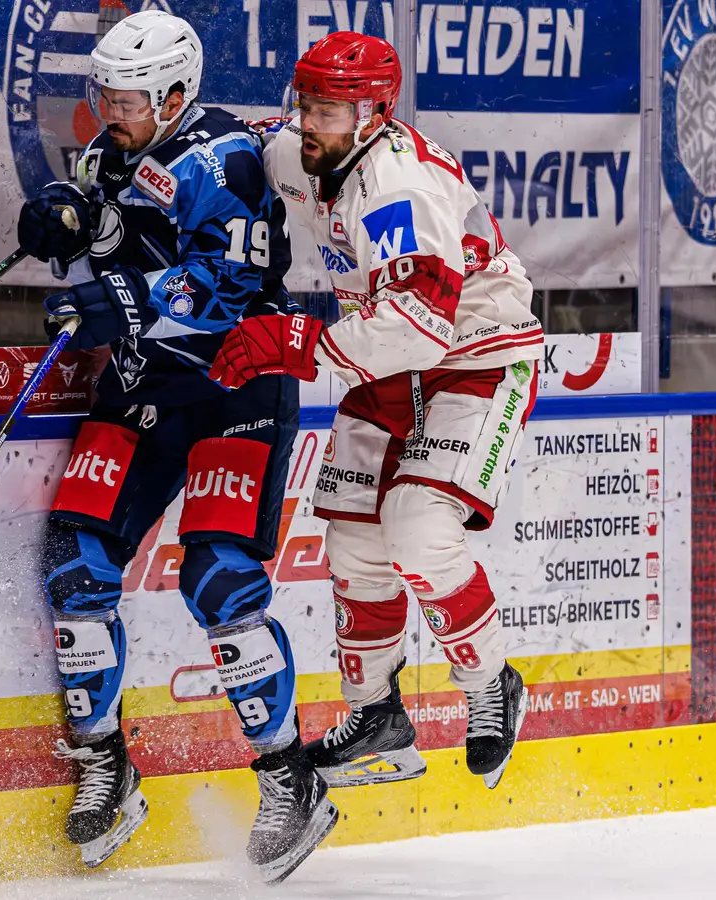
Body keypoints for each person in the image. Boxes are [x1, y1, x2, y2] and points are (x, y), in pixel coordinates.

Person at [16, 10, 334, 883]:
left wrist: (113, 300)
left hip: (236, 380)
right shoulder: (114, 147)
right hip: (144, 382)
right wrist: (67, 218)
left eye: (123, 98)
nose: (106, 111)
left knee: (220, 577)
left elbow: (225, 284)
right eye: (101, 94)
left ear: (176, 94)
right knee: (76, 563)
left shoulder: (222, 155)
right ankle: (105, 766)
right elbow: (114, 230)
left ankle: (288, 778)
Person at [210, 32, 546, 792]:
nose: (313, 122)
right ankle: (378, 718)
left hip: (475, 356)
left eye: (335, 109)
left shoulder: (400, 188)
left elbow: (423, 322)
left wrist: (298, 343)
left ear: (376, 114)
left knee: (419, 532)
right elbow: (236, 141)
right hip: (384, 359)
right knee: (354, 547)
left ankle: (491, 684)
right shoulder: (308, 148)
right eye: (309, 105)